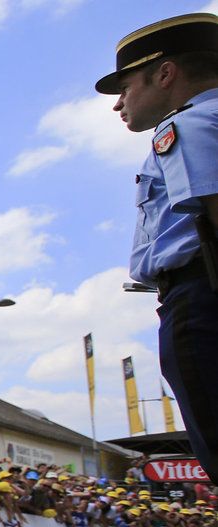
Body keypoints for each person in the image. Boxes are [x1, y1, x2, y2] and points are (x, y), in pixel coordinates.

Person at [98, 13, 218, 483]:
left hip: (201, 296)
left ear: (165, 73)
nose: (118, 103)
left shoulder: (188, 127)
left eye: (125, 86)